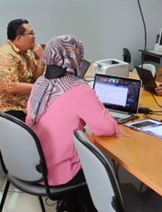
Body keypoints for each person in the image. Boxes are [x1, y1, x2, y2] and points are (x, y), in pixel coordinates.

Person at [26, 35, 118, 211]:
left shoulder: (40, 83)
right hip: (58, 172)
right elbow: (106, 129)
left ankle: (71, 203)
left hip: (33, 164)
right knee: (103, 168)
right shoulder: (80, 89)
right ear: (75, 57)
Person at [0, 19, 44, 123]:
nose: (34, 36)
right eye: (31, 33)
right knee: (37, 121)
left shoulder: (27, 52)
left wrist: (42, 58)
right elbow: (11, 87)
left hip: (15, 100)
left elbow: (35, 78)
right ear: (19, 38)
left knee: (45, 112)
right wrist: (42, 87)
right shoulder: (6, 55)